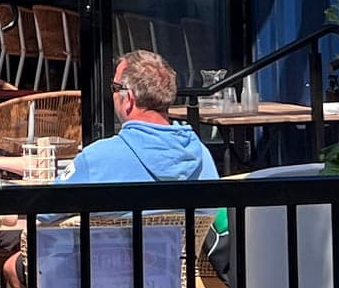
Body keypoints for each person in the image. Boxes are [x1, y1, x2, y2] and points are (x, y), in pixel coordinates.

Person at [65, 50, 222, 188]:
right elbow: (214, 213)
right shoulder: (201, 157)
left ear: (129, 99)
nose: (112, 94)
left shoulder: (95, 159)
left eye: (115, 87)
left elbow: (46, 210)